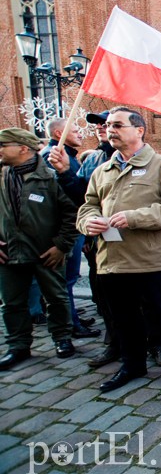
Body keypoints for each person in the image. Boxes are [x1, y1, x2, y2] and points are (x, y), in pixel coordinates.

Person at [76, 107, 161, 394]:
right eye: (108, 125)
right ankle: (132, 364)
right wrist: (87, 221)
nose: (110, 130)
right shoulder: (102, 170)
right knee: (123, 318)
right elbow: (88, 204)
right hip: (111, 261)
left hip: (150, 259)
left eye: (117, 125)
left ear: (139, 130)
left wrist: (135, 217)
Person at [48, 111, 123, 366]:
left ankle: (154, 342)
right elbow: (81, 200)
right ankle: (115, 342)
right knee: (104, 296)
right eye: (101, 125)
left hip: (130, 245)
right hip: (98, 245)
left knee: (143, 299)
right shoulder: (93, 161)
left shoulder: (137, 160)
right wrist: (66, 173)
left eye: (111, 124)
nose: (103, 128)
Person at [0, 127, 78, 369]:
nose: (0, 150)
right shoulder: (2, 175)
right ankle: (18, 346)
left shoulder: (51, 177)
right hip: (9, 252)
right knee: (12, 303)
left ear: (23, 148)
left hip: (46, 252)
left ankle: (62, 338)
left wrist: (61, 246)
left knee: (56, 297)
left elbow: (72, 213)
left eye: (3, 145)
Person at [41, 119, 101, 339]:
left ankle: (72, 316)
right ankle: (69, 324)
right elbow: (61, 199)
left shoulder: (69, 156)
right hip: (65, 228)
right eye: (76, 131)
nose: (80, 135)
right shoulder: (52, 157)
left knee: (70, 278)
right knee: (64, 280)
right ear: (60, 133)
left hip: (75, 226)